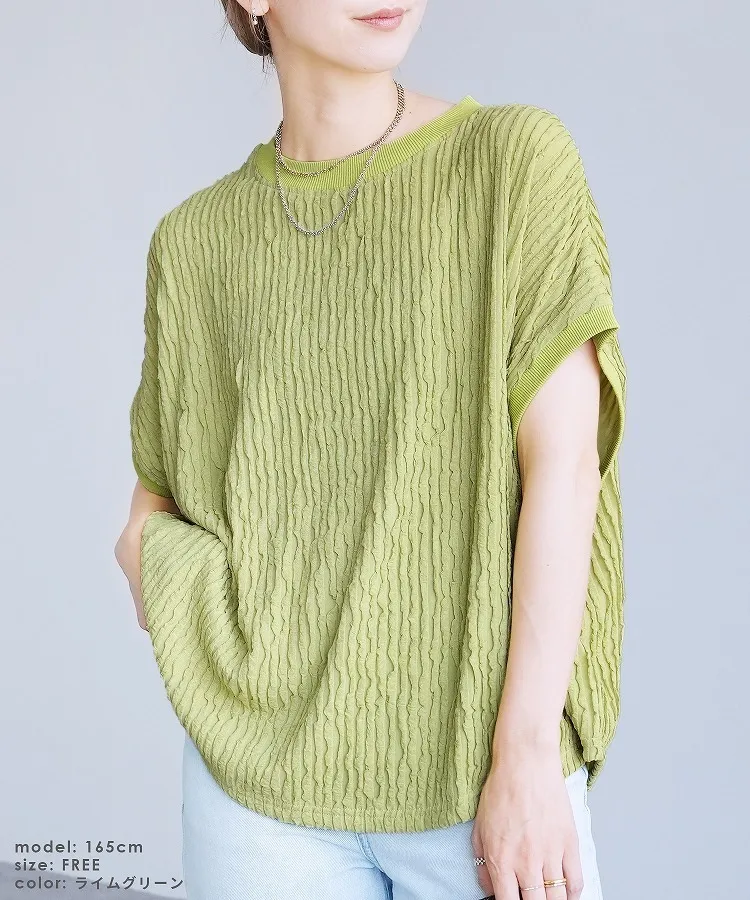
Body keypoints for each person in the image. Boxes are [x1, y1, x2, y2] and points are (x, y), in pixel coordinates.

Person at [114, 2, 627, 899]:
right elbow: (157, 499)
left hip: (482, 775)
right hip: (257, 802)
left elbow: (565, 463)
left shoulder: (512, 161)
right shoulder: (194, 244)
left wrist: (525, 755)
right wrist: (152, 563)